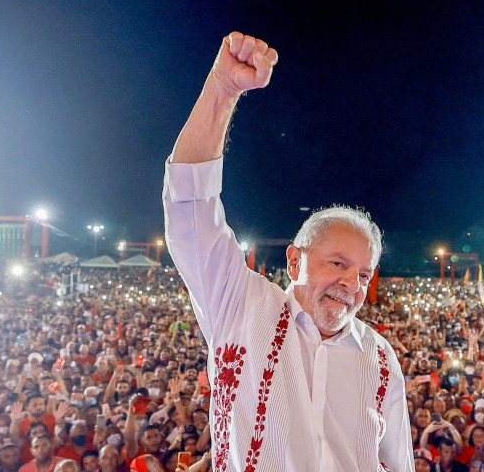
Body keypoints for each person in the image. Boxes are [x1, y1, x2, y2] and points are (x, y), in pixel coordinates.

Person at [162, 31, 412, 471]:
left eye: (364, 273)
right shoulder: (239, 306)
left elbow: (398, 464)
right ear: (294, 260)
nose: (352, 284)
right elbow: (190, 208)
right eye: (338, 263)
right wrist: (221, 92)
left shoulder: (381, 358)